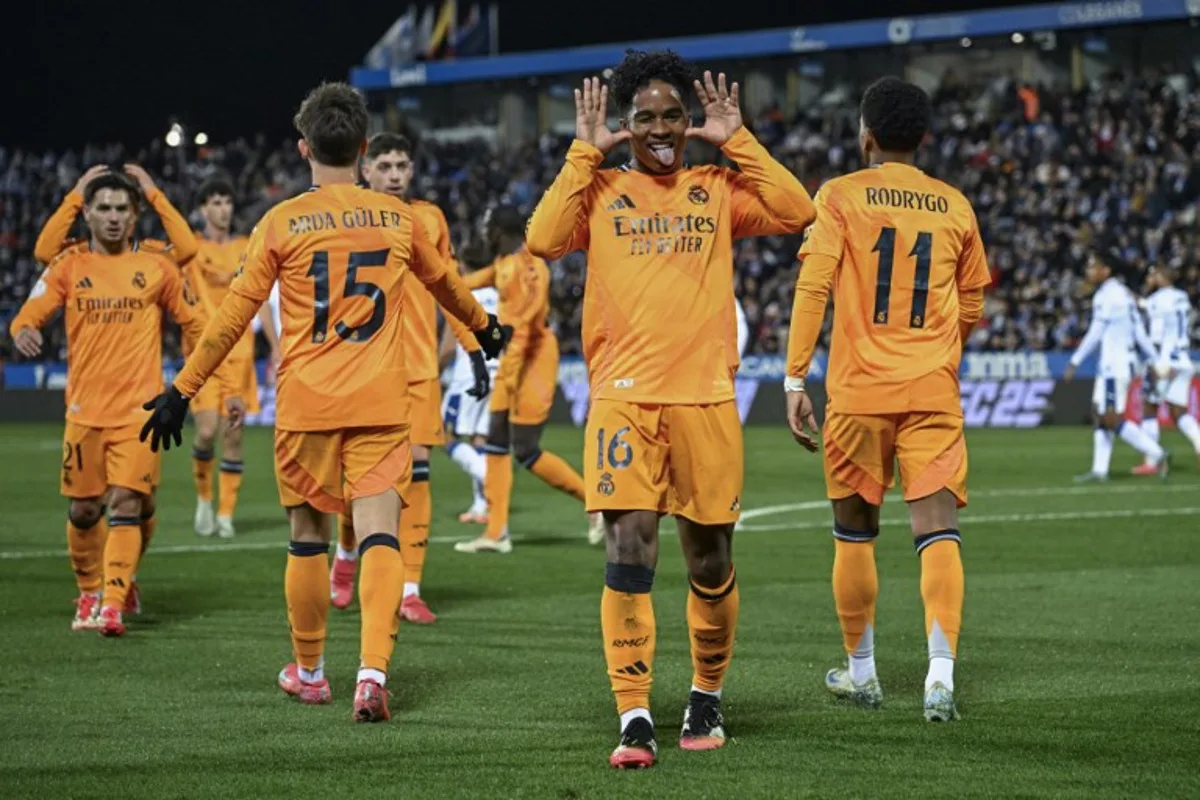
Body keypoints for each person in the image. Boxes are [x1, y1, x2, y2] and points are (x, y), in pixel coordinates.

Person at [139, 82, 507, 722]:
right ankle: (371, 673)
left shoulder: (280, 222)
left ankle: (310, 673)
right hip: (381, 400)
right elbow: (446, 283)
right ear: (365, 151)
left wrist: (179, 391)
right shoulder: (401, 218)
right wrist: (483, 328)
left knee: (307, 537)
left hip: (307, 404)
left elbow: (231, 320)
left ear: (304, 146)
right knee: (378, 536)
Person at [526, 50, 815, 767]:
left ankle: (706, 695)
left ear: (690, 121)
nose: (660, 129)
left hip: (707, 399)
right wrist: (582, 154)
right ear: (625, 125)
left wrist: (735, 138)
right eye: (645, 117)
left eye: (672, 116)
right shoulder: (596, 191)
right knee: (628, 551)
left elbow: (798, 210)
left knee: (709, 558)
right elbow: (541, 238)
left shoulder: (716, 187)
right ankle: (633, 716)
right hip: (622, 401)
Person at [786, 77, 994, 723]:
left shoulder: (840, 196)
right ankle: (939, 678)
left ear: (866, 136)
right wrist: (940, 352)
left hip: (857, 395)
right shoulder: (955, 205)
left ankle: (863, 675)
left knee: (854, 535)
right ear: (923, 138)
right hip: (932, 389)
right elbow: (975, 300)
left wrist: (794, 377)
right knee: (939, 533)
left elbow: (813, 288)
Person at [10, 171, 235, 636]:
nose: (112, 217)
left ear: (135, 216)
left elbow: (196, 326)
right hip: (84, 413)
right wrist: (25, 331)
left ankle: (110, 603)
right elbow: (28, 314)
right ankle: (91, 589)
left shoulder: (157, 266)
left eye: (121, 209)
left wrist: (208, 383)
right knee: (85, 511)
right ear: (88, 214)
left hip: (140, 412)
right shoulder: (69, 264)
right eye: (104, 208)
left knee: (128, 503)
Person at [328, 132, 491, 622]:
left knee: (418, 472)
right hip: (361, 365)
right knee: (359, 480)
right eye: (386, 165)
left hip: (417, 367)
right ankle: (346, 556)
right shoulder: (345, 217)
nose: (396, 173)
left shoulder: (429, 219)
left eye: (403, 164)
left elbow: (449, 287)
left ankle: (409, 588)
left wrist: (473, 348)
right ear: (366, 170)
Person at [455, 205, 601, 554]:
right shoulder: (504, 263)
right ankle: (496, 532)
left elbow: (525, 328)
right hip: (513, 360)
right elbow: (467, 283)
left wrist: (508, 372)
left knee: (524, 447)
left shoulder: (531, 267)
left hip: (534, 359)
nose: (485, 234)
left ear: (501, 230)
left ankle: (595, 505)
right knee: (495, 439)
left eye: (489, 227)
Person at [187, 178, 259, 539]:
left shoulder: (247, 247)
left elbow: (263, 296)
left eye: (226, 201)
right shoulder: (193, 249)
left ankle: (226, 514)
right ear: (203, 209)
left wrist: (275, 344)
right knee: (205, 431)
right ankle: (204, 498)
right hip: (204, 354)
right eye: (214, 201)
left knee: (232, 437)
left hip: (241, 352)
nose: (222, 208)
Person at [1063, 249, 1168, 481]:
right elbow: (1138, 330)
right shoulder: (1123, 294)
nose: (1088, 271)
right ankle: (1100, 470)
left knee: (1111, 418)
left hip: (1115, 364)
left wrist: (1075, 360)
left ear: (1105, 270)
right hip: (1117, 363)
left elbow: (1096, 331)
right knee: (1099, 414)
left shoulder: (1107, 296)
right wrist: (1153, 358)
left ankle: (1157, 453)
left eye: (1092, 266)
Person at [439, 252, 501, 525]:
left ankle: (493, 485)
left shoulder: (462, 293)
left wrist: (435, 371)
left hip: (468, 375)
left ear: (464, 264)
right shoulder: (499, 294)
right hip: (497, 372)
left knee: (444, 435)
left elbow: (450, 345)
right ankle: (481, 507)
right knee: (480, 439)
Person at [1134, 266, 1199, 471]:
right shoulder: (1182, 297)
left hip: (1165, 361)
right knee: (1180, 412)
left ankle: (1152, 462)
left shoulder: (1159, 300)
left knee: (1149, 408)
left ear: (1162, 277)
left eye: (1154, 274)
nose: (1151, 277)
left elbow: (1157, 332)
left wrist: (1159, 362)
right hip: (1184, 359)